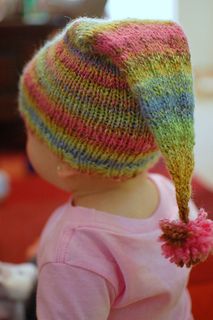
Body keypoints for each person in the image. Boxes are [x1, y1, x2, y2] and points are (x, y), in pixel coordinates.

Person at [17, 17, 213, 319]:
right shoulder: (170, 194)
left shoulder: (72, 251)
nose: (25, 136)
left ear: (68, 160)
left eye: (31, 128)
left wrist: (60, 264)